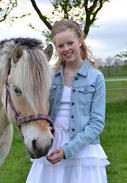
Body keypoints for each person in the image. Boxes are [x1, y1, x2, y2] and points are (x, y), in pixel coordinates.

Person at [26, 19, 109, 183]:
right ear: (55, 47)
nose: (66, 49)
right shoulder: (50, 76)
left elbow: (97, 123)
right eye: (60, 46)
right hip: (52, 145)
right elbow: (41, 111)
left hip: (83, 148)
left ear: (80, 40)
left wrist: (68, 150)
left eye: (70, 43)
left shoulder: (96, 77)